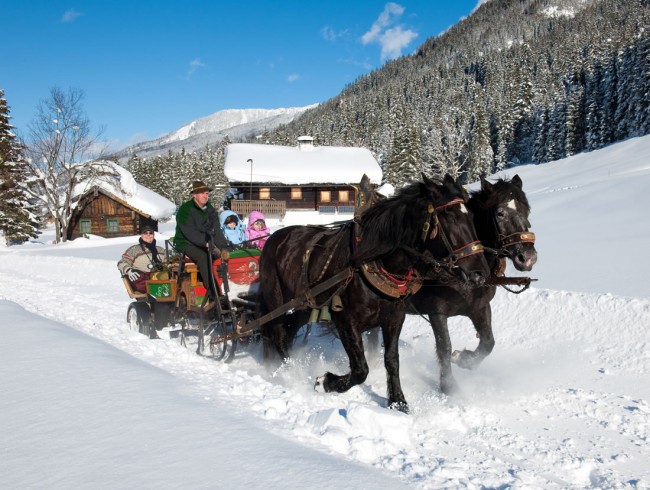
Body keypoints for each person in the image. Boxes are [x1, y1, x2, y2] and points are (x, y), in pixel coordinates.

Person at [173, 181, 229, 301]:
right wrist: (206, 243)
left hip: (207, 242)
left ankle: (227, 287)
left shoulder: (210, 210)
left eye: (207, 193)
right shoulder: (185, 209)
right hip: (186, 243)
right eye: (202, 193)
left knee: (223, 257)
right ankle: (213, 291)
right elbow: (189, 232)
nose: (205, 196)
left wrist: (224, 247)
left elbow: (217, 231)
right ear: (194, 195)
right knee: (204, 257)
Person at [117, 225, 166, 293]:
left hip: (160, 278)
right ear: (141, 235)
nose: (148, 235)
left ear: (154, 235)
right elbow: (122, 262)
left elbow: (169, 261)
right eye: (145, 233)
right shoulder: (135, 249)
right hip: (142, 280)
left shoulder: (160, 250)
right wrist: (128, 270)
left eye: (150, 233)